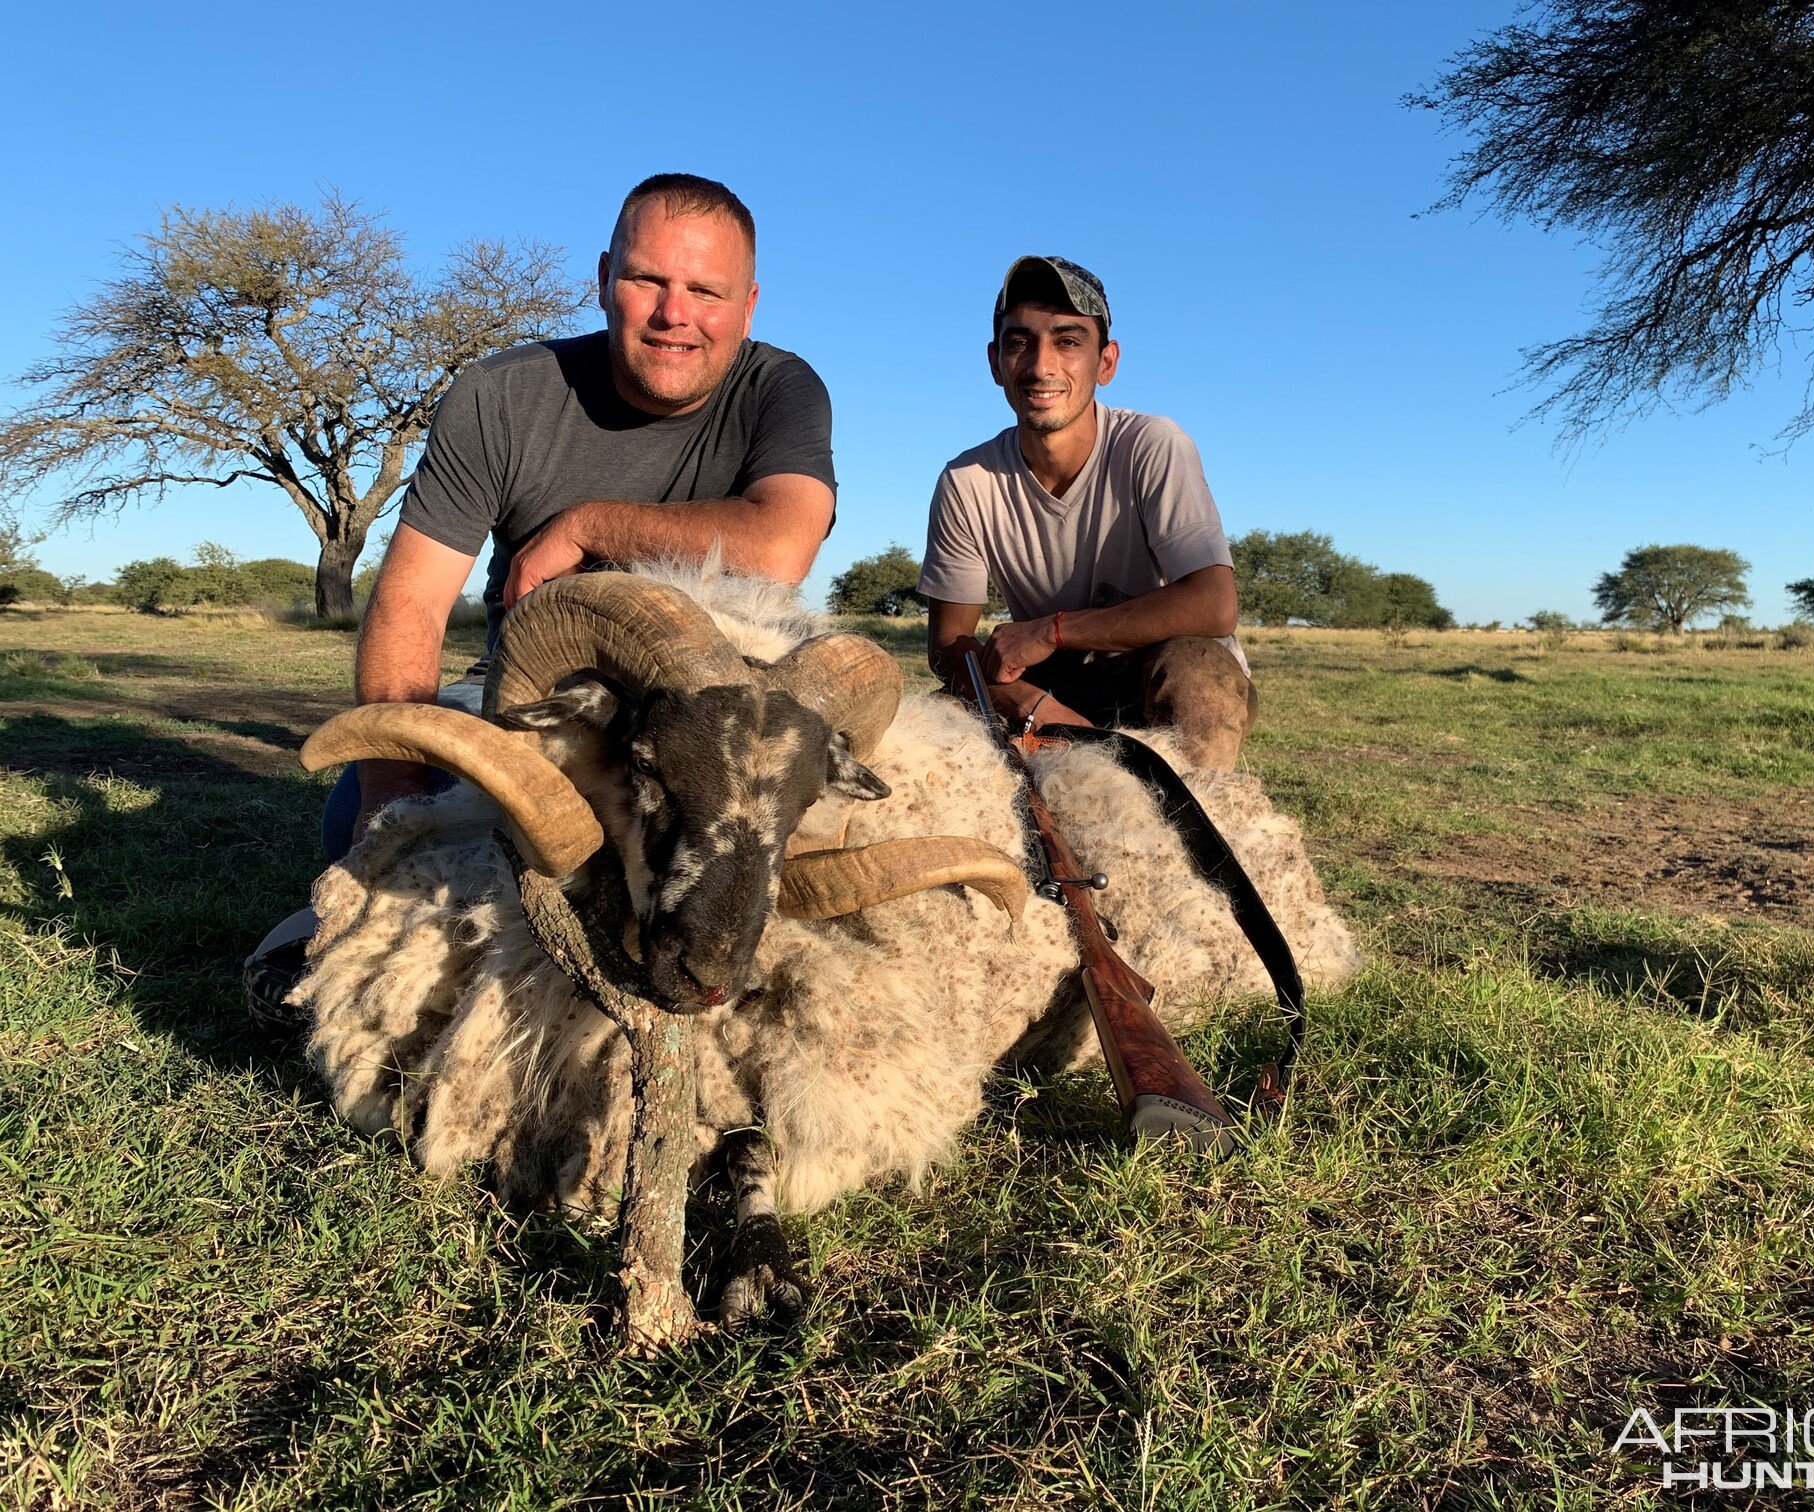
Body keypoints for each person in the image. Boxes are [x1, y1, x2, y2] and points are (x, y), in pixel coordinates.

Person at [246, 171, 837, 1022]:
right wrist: (393, 818)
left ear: (747, 305)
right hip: (543, 706)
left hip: (705, 730)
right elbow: (410, 603)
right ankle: (350, 931)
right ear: (604, 279)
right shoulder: (503, 395)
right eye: (647, 280)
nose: (676, 314)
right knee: (359, 814)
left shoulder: (779, 390)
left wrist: (587, 525)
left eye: (706, 290)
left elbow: (780, 546)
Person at [918, 255, 1256, 770]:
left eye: (1068, 341)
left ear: (1106, 363)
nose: (1040, 367)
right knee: (935, 731)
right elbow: (947, 646)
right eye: (1019, 342)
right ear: (994, 362)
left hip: (1154, 667)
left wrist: (1049, 630)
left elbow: (1214, 606)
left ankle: (1209, 818)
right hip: (1050, 682)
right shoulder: (967, 481)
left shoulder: (1153, 445)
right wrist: (1029, 703)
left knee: (1200, 678)